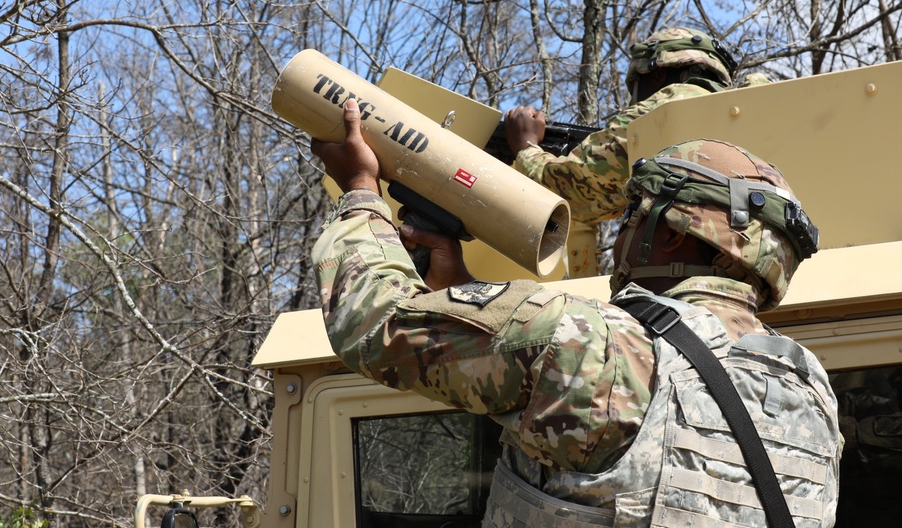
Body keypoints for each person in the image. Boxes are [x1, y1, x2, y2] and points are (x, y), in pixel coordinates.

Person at [310, 99, 842, 527]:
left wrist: (360, 190)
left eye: (634, 215)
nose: (621, 236)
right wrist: (464, 291)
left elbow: (374, 321)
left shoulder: (595, 342)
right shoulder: (811, 393)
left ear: (675, 235)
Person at [504, 27, 738, 225]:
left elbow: (572, 193)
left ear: (657, 75)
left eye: (636, 86)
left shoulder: (664, 109)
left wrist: (526, 146)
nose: (633, 101)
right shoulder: (742, 116)